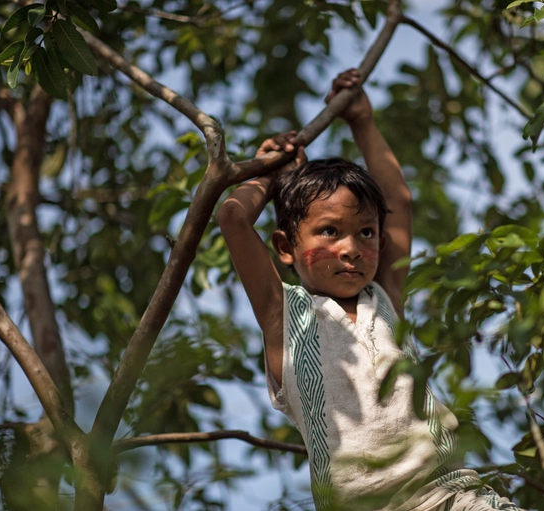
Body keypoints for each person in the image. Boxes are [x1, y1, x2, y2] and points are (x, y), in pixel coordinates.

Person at [216, 69, 523, 511]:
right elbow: (233, 218)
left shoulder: (383, 300)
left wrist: (363, 121)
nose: (352, 249)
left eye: (365, 232)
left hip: (450, 494)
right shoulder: (285, 316)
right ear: (285, 246)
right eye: (329, 232)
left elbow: (399, 197)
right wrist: (269, 173)